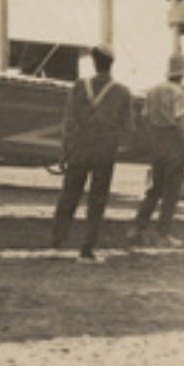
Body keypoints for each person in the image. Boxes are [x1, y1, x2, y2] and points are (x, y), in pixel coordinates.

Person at [51, 43, 132, 261]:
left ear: (94, 62)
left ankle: (58, 237)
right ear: (111, 64)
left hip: (79, 147)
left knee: (70, 193)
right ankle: (87, 246)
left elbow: (68, 121)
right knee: (98, 199)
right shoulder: (122, 92)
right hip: (104, 151)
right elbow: (128, 126)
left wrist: (65, 150)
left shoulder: (79, 86)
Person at [129, 51, 184, 248]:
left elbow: (145, 117)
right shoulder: (179, 93)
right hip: (173, 141)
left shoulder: (153, 91)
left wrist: (154, 133)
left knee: (155, 188)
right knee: (171, 190)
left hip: (157, 141)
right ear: (182, 73)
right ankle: (162, 233)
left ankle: (138, 226)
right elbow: (181, 123)